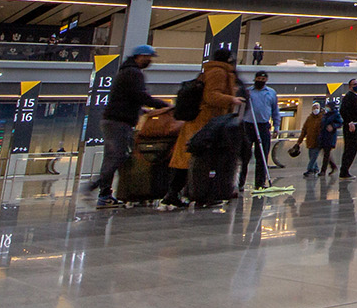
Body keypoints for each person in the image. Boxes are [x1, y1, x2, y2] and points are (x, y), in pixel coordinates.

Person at [86, 44, 170, 208]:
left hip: (111, 120)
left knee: (111, 157)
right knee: (119, 156)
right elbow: (140, 95)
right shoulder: (133, 73)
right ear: (141, 56)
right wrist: (164, 105)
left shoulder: (125, 71)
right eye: (148, 57)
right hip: (119, 122)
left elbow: (128, 97)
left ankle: (104, 194)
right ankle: (95, 188)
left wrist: (140, 109)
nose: (150, 61)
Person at [164, 45, 241, 208]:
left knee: (187, 159)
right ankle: (197, 194)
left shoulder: (211, 71)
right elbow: (212, 96)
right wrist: (231, 99)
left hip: (201, 121)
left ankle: (176, 193)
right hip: (205, 123)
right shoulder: (218, 72)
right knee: (197, 159)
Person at [239, 71, 279, 190]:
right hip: (248, 125)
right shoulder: (248, 92)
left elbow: (275, 110)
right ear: (255, 78)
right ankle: (240, 183)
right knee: (244, 155)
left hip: (263, 126)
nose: (260, 81)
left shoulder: (271, 93)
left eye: (263, 79)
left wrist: (276, 126)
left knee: (262, 155)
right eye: (259, 78)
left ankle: (260, 183)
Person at [338, 79, 357, 178]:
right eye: (355, 84)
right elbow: (343, 111)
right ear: (350, 86)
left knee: (353, 149)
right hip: (351, 127)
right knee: (349, 149)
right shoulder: (348, 97)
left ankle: (346, 169)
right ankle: (344, 170)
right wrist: (349, 122)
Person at [318, 99, 342, 175]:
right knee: (325, 153)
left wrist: (333, 126)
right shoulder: (325, 114)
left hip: (330, 136)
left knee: (326, 153)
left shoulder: (335, 115)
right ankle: (333, 166)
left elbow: (340, 123)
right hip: (324, 136)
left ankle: (323, 170)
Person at [299, 103, 323, 176]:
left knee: (313, 157)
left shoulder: (322, 118)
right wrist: (299, 141)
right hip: (310, 141)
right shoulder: (309, 118)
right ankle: (315, 169)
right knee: (311, 156)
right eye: (314, 108)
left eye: (317, 108)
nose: (315, 109)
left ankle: (310, 169)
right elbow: (304, 130)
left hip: (318, 141)